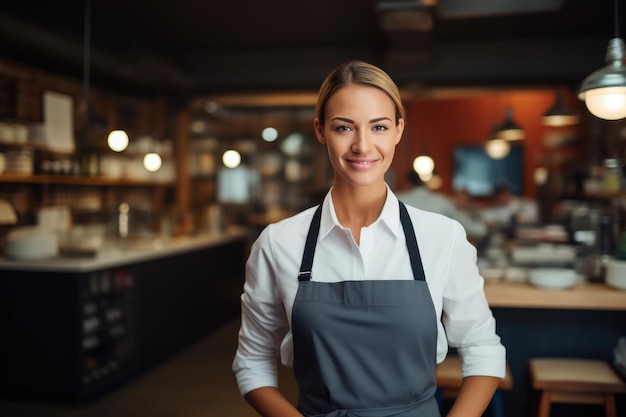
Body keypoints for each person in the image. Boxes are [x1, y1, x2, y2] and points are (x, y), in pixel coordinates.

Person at [232, 60, 506, 417]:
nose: (363, 145)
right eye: (344, 127)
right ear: (320, 131)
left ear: (398, 130)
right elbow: (252, 362)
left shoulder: (443, 238)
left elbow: (483, 349)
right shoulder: (278, 244)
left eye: (379, 126)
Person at [396, 170, 488, 243]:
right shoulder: (442, 201)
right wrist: (484, 228)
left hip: (403, 255)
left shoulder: (397, 200)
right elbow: (471, 228)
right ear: (424, 184)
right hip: (438, 254)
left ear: (407, 184)